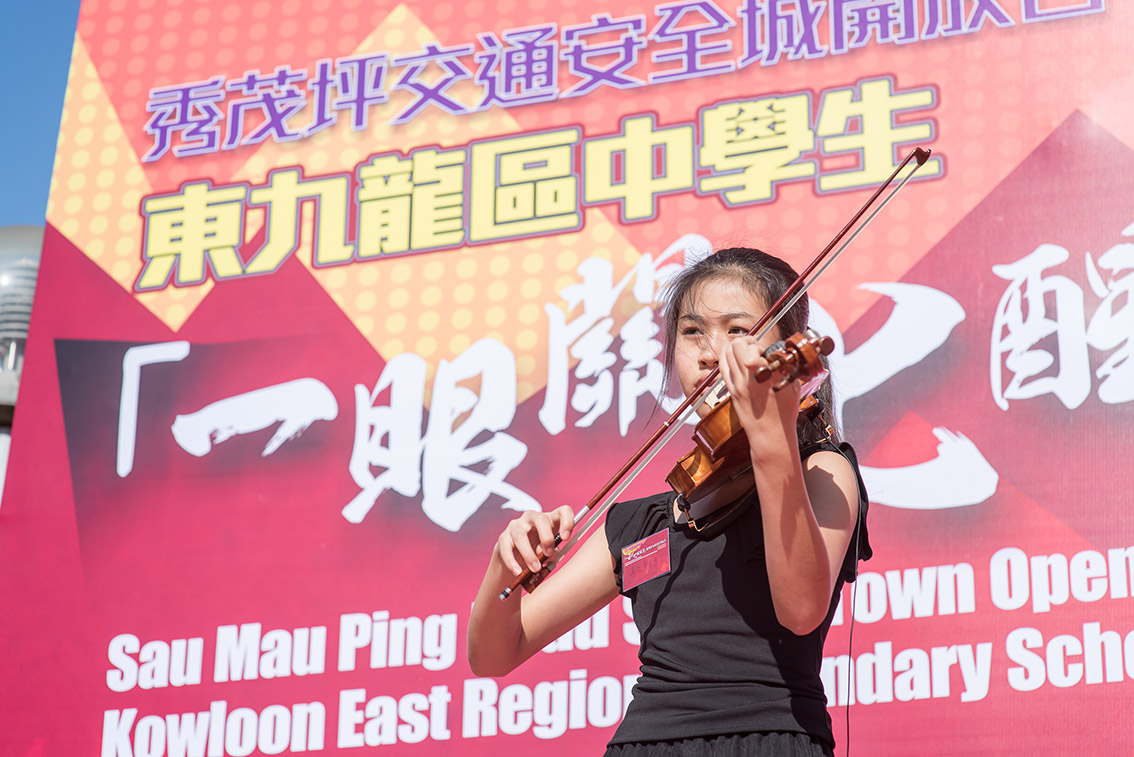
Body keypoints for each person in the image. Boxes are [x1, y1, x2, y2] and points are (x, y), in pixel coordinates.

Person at [467, 247, 871, 756]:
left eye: (738, 331)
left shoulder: (821, 471)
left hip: (770, 741)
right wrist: (503, 569)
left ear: (783, 350)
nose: (710, 352)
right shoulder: (640, 525)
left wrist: (773, 437)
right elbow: (496, 655)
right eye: (692, 331)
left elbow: (800, 609)